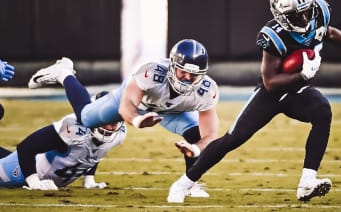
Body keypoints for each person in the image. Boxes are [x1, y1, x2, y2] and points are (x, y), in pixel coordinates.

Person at [167, 0, 341, 203]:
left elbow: (329, 33)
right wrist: (302, 75)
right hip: (271, 94)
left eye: (305, 12)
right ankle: (183, 183)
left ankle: (307, 182)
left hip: (297, 91)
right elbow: (270, 82)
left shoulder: (319, 11)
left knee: (322, 111)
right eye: (296, 16)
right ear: (281, 16)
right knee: (233, 139)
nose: (304, 19)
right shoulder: (273, 35)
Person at [27, 39, 220, 197]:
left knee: (195, 134)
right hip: (136, 103)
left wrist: (195, 149)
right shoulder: (152, 72)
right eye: (183, 71)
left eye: (193, 75)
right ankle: (64, 73)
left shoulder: (207, 90)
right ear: (172, 66)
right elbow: (127, 106)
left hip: (171, 112)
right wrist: (136, 120)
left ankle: (190, 183)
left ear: (202, 75)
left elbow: (210, 136)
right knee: (85, 118)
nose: (186, 78)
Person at [0, 90, 126, 190]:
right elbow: (25, 148)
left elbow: (95, 152)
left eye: (115, 120)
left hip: (43, 171)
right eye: (106, 120)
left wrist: (89, 179)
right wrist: (34, 182)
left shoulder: (119, 133)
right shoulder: (72, 129)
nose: (111, 126)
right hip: (19, 170)